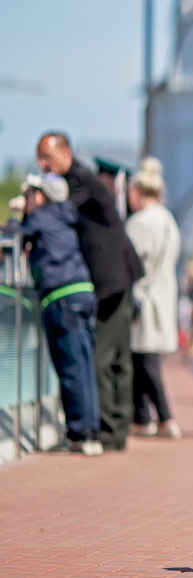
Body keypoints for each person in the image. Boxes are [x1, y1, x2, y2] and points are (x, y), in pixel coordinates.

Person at [36, 132, 144, 451]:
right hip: (117, 277)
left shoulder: (78, 181)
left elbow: (60, 212)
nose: (43, 165)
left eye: (47, 157)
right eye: (40, 159)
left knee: (100, 358)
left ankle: (106, 430)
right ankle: (115, 431)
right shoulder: (84, 180)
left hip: (109, 279)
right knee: (117, 358)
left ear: (66, 153)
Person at [8, 174, 102, 455]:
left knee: (70, 366)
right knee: (84, 364)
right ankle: (90, 429)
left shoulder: (43, 216)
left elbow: (16, 233)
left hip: (61, 298)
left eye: (30, 195)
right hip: (84, 292)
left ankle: (78, 433)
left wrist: (17, 215)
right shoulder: (67, 215)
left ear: (40, 196)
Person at [125, 158, 183, 438]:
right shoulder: (169, 220)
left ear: (137, 191)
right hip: (163, 294)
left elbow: (127, 260)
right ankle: (142, 415)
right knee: (144, 357)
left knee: (145, 358)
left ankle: (165, 417)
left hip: (143, 296)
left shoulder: (140, 223)